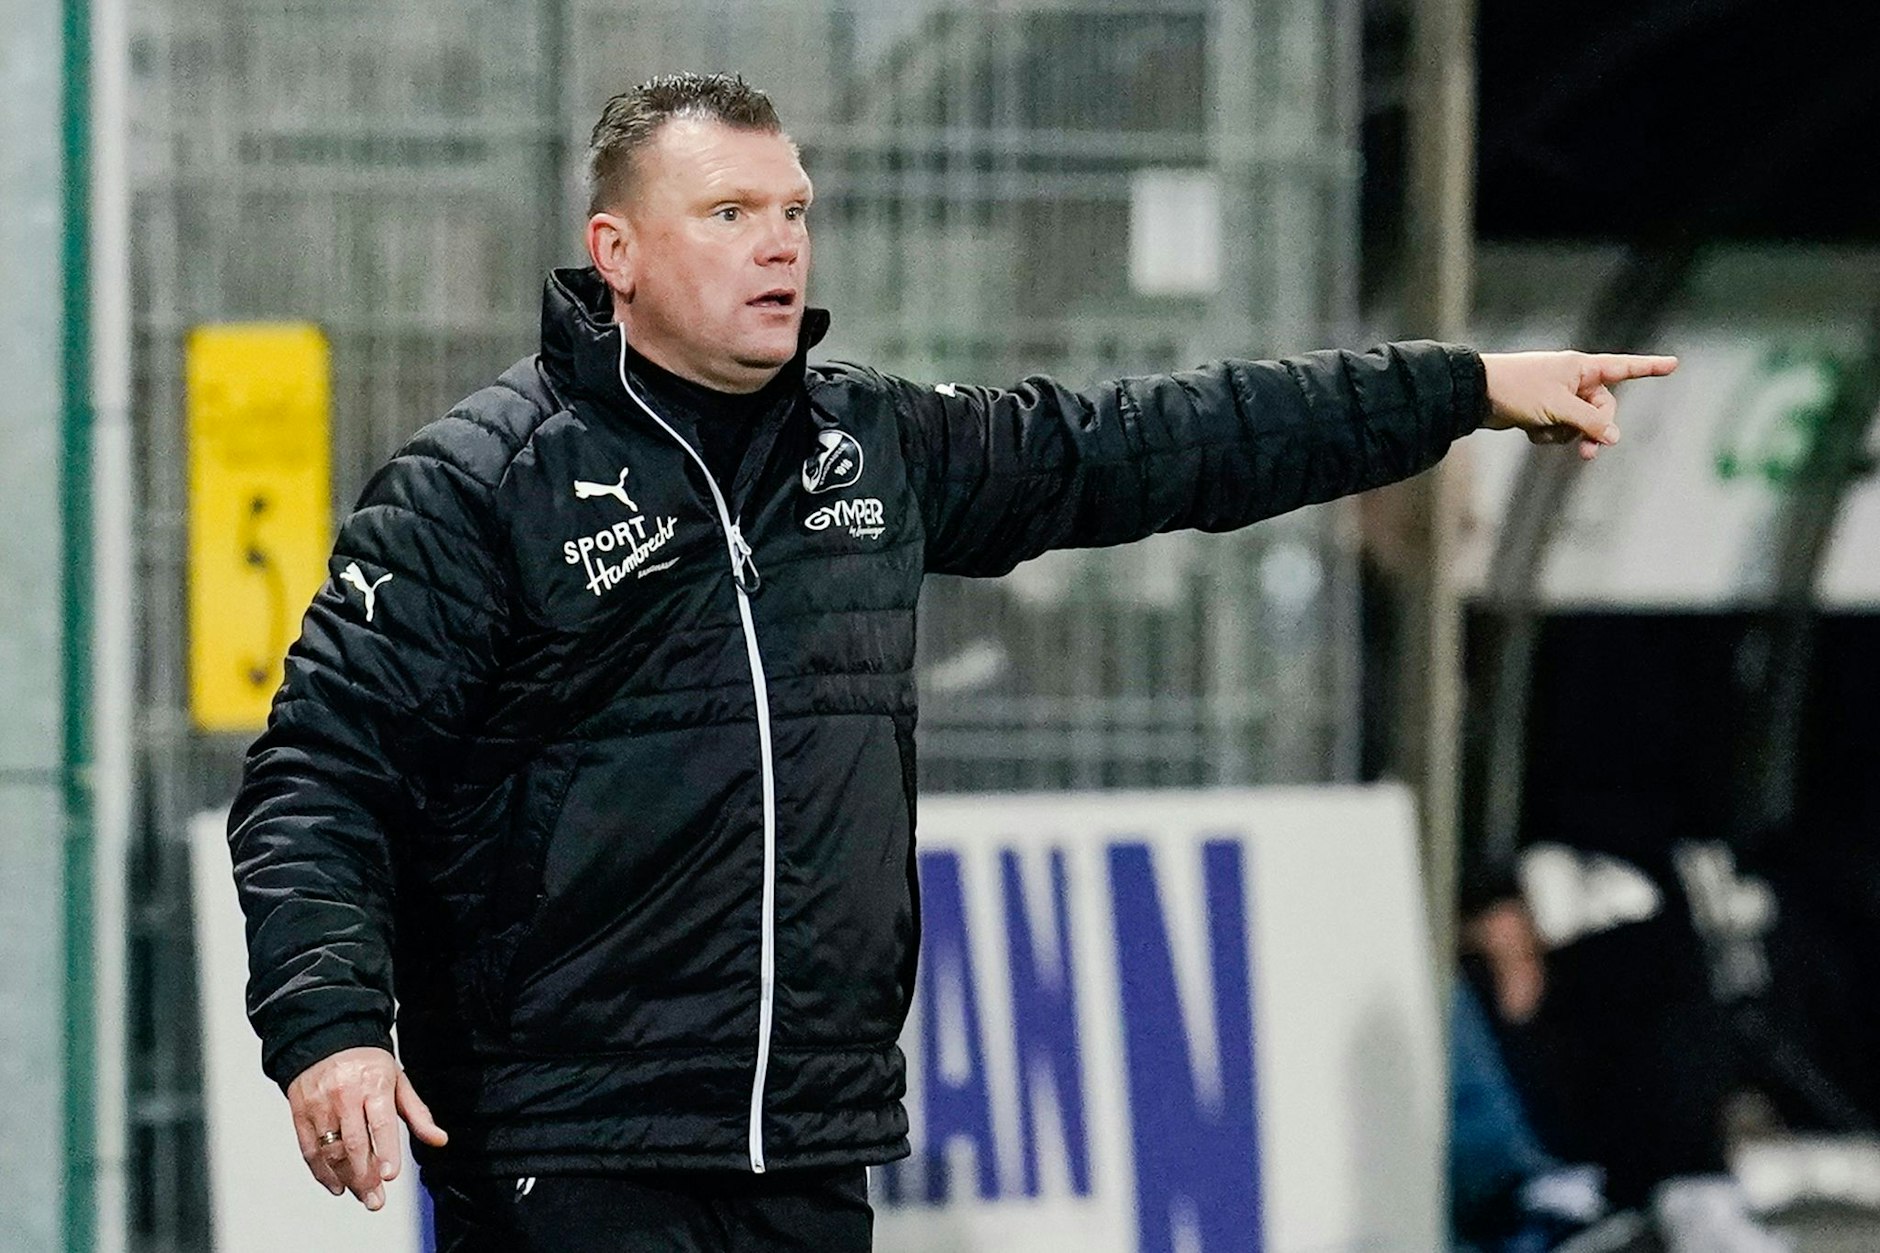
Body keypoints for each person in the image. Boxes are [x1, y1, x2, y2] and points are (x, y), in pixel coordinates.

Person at [225, 72, 1678, 1251]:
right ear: (618, 255)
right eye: (729, 212)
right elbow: (319, 774)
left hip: (811, 1139)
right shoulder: (482, 485)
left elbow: (1159, 443)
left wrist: (1463, 388)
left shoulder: (875, 445)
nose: (781, 243)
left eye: (794, 210)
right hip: (570, 1144)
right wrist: (332, 1028)